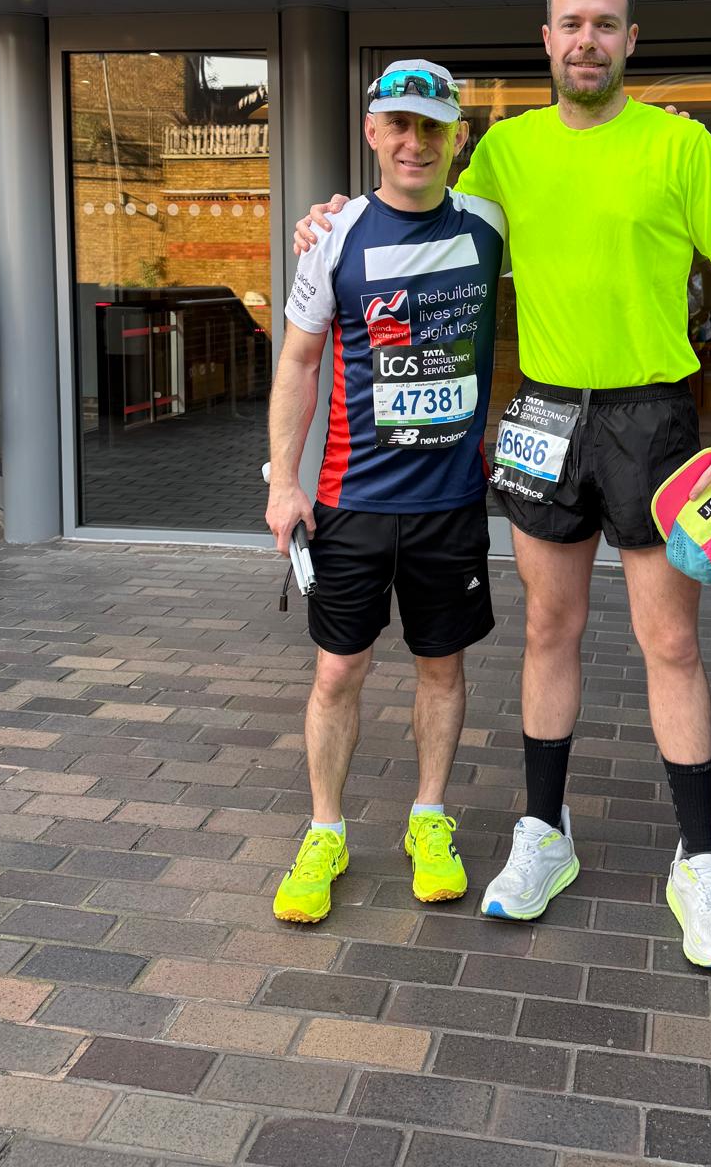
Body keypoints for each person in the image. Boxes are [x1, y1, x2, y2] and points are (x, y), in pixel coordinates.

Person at [297, 0, 711, 971]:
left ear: (631, 39)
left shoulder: (679, 144)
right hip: (544, 417)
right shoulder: (507, 152)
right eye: (571, 24)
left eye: (605, 25)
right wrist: (329, 220)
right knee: (549, 629)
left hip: (652, 418)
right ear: (547, 37)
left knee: (671, 645)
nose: (587, 40)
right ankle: (544, 833)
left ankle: (699, 864)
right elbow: (417, 204)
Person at [266, 62, 506, 924]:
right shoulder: (332, 236)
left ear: (458, 138)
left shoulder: (491, 223)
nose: (415, 142)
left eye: (433, 127)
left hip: (450, 503)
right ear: (372, 132)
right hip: (352, 500)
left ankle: (428, 819)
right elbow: (297, 361)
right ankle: (325, 830)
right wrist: (283, 482)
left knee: (443, 666)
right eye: (399, 125)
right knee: (340, 670)